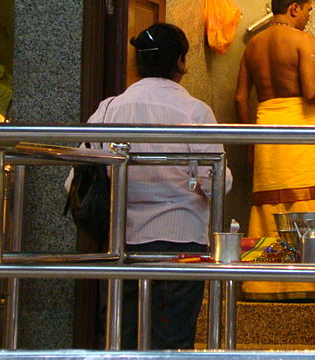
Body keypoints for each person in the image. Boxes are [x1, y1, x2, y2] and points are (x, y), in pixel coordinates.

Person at [67, 23, 233, 349]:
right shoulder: (194, 112)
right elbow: (218, 183)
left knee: (123, 341)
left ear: (137, 63)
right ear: (182, 62)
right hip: (183, 246)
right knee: (172, 343)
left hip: (122, 246)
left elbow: (75, 180)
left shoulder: (109, 110)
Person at [234, 0, 315, 301]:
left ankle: (261, 285)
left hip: (265, 127)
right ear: (294, 8)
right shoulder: (301, 39)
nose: (308, 17)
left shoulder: (252, 45)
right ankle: (303, 285)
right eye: (308, 10)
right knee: (303, 201)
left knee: (268, 205)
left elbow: (240, 99)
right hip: (297, 127)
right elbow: (310, 92)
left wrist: (252, 139)